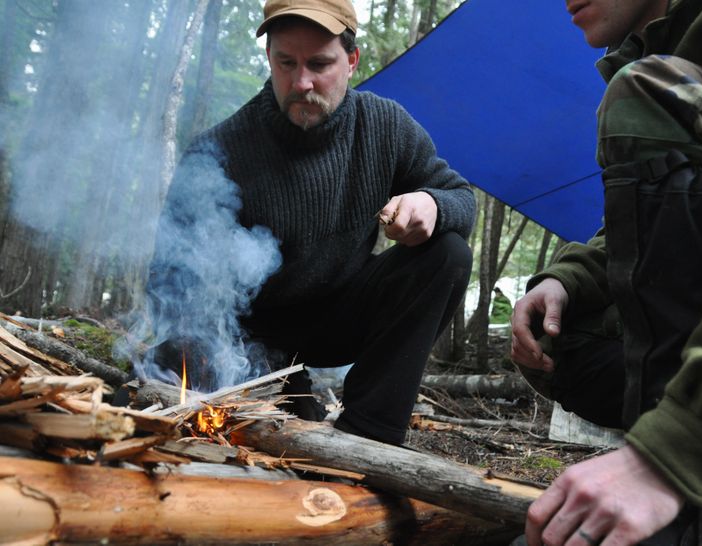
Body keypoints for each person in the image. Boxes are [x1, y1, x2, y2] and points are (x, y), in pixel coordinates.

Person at [511, 0, 702, 544]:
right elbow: (636, 233)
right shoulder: (663, 44)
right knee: (563, 340)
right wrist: (567, 278)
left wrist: (674, 454)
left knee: (652, 91)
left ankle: (684, 504)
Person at [148, 0, 475, 446]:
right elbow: (168, 280)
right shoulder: (221, 149)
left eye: (320, 64)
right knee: (181, 347)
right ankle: (280, 391)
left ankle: (370, 432)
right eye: (287, 63)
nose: (302, 82)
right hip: (249, 338)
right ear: (269, 59)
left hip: (342, 317)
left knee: (448, 253)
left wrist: (431, 205)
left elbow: (460, 196)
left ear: (352, 61)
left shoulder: (384, 126)